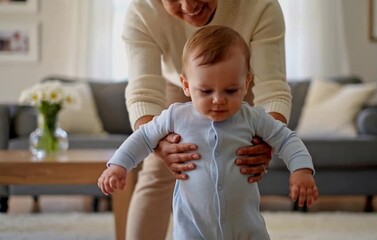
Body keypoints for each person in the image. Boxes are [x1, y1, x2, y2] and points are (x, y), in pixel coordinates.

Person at [99, 25, 318, 240]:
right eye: (205, 91)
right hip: (193, 229)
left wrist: (301, 169)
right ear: (185, 85)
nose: (218, 100)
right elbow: (144, 137)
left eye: (231, 90)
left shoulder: (253, 117)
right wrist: (119, 165)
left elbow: (286, 138)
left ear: (247, 81)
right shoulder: (175, 116)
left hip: (245, 228)